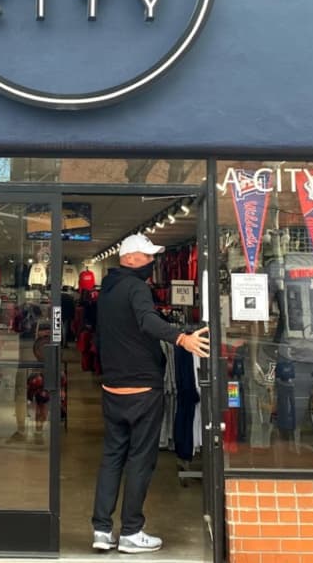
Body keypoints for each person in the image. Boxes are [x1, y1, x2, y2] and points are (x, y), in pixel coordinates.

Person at [91, 234, 210, 554]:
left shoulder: (107, 291)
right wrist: (181, 338)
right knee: (141, 460)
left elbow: (102, 335)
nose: (151, 262)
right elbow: (147, 321)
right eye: (146, 257)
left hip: (113, 386)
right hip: (142, 387)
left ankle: (102, 530)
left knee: (112, 457)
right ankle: (131, 532)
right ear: (129, 258)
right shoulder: (136, 288)